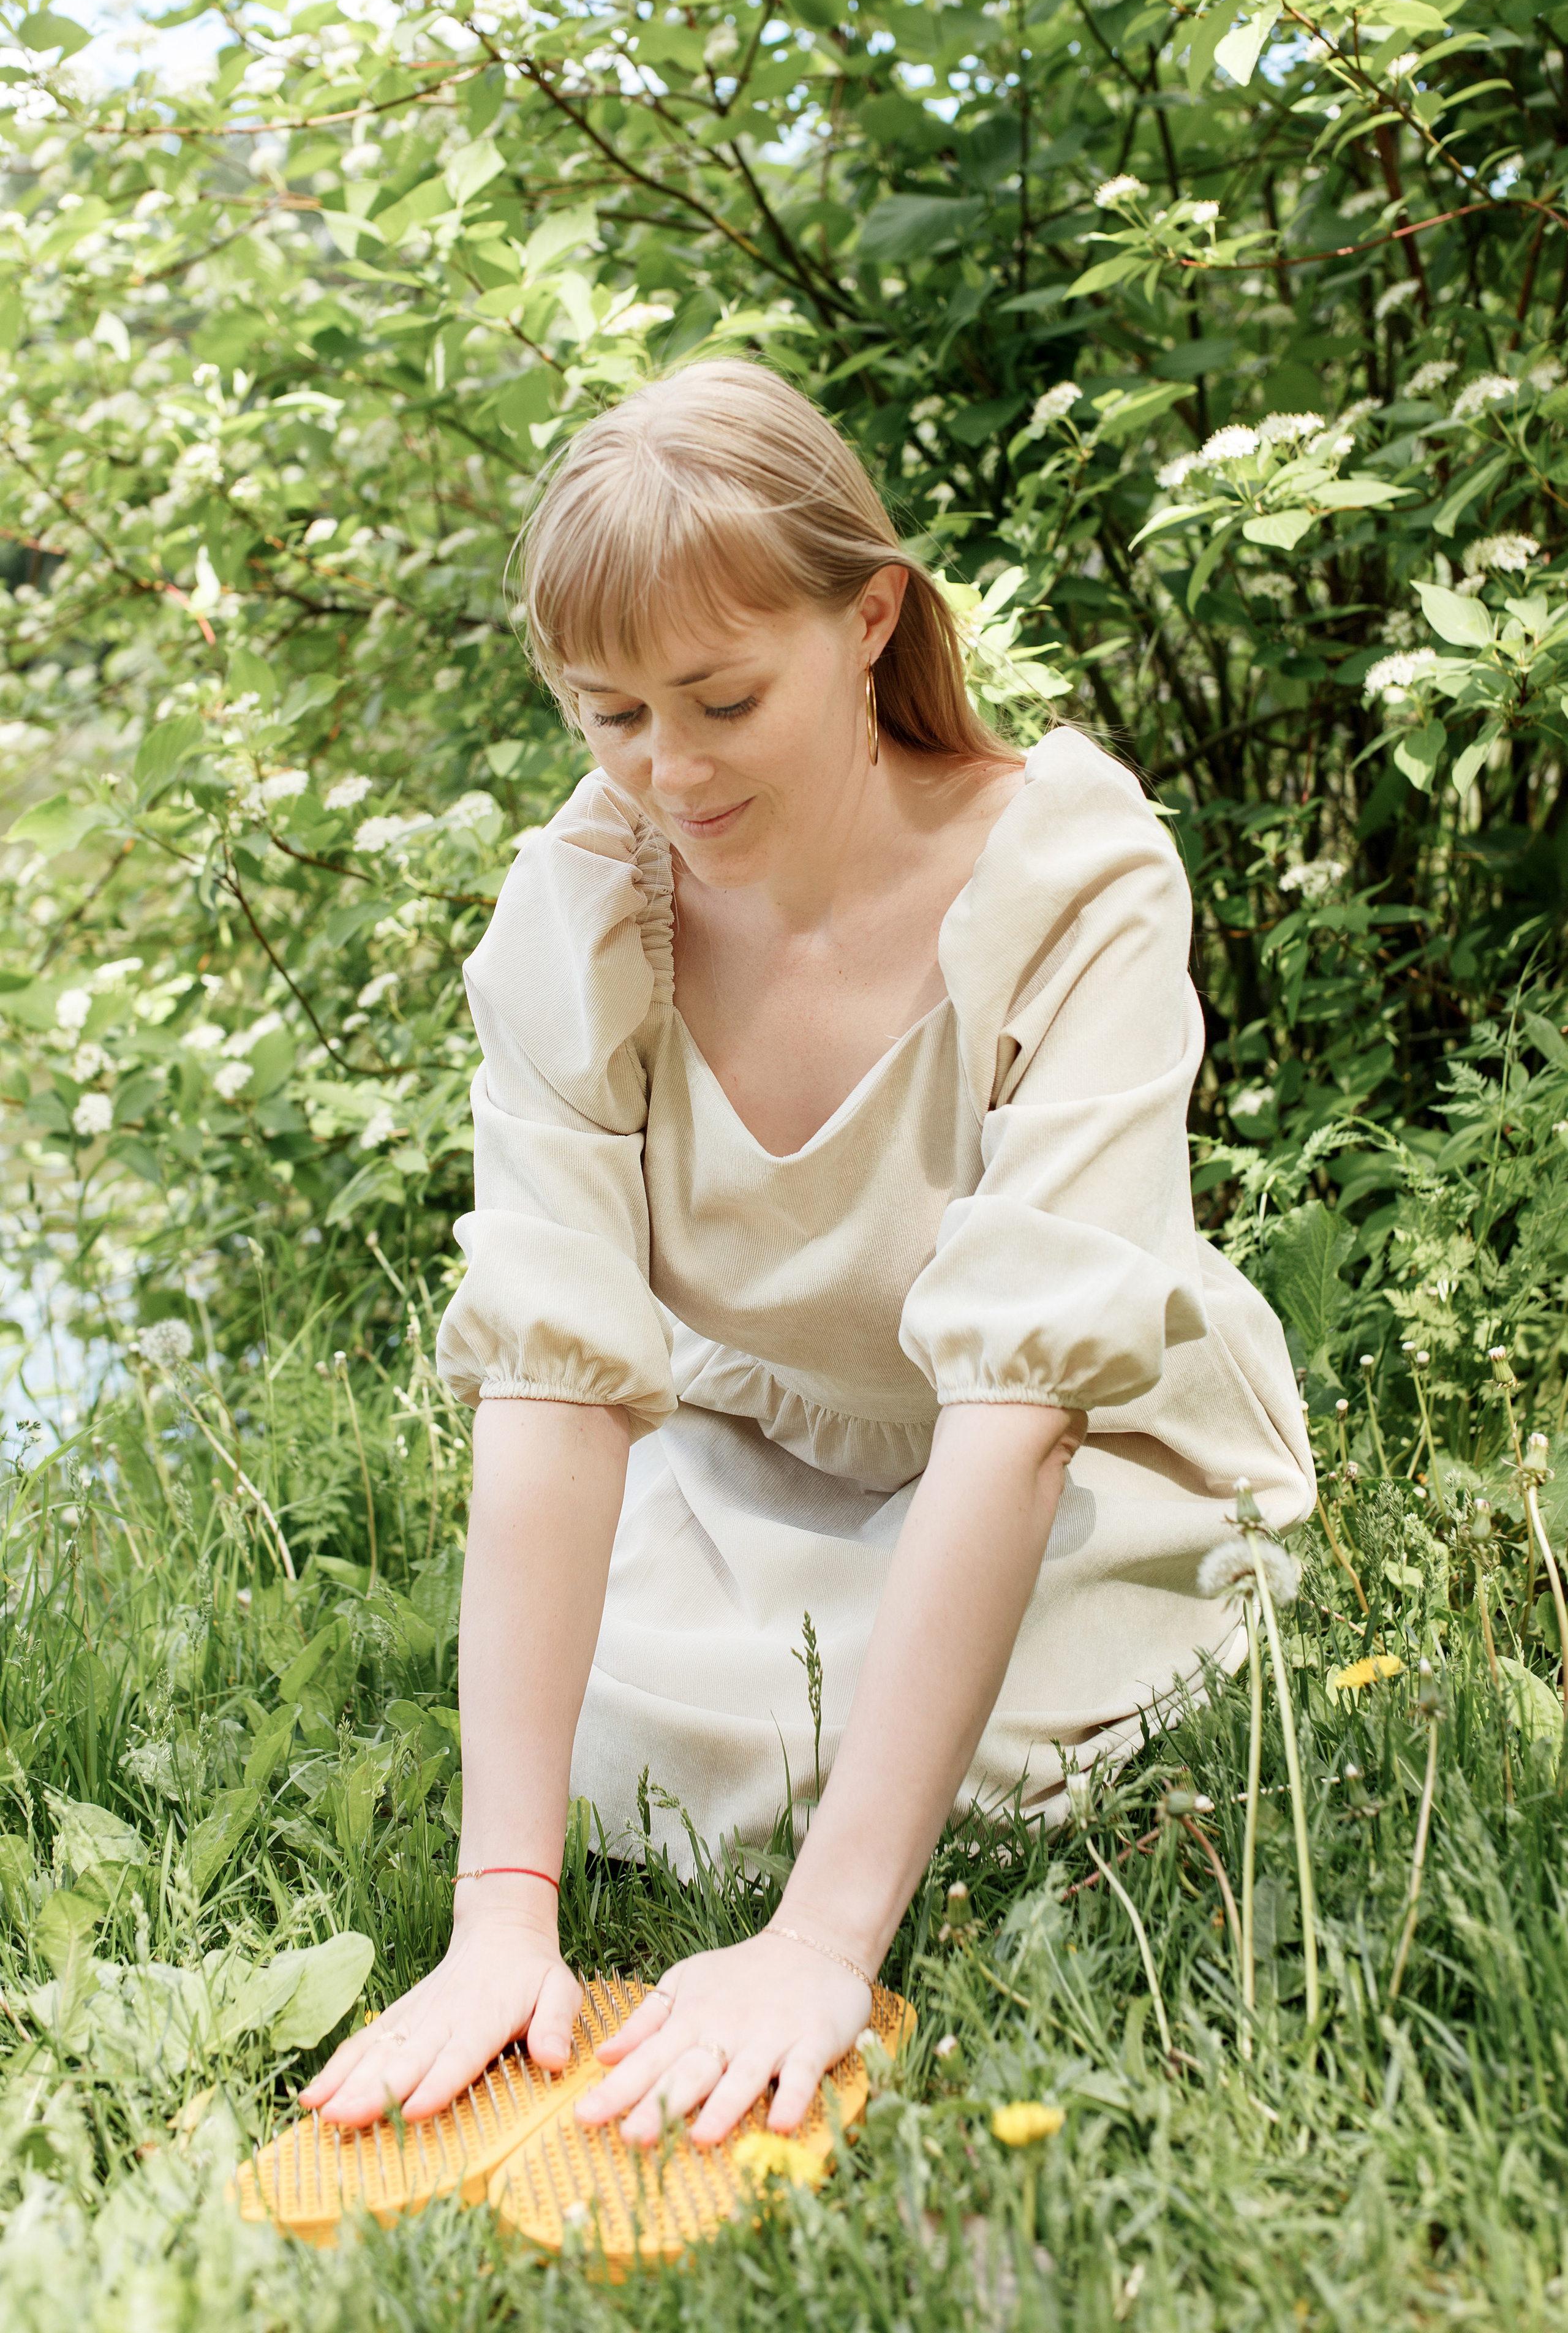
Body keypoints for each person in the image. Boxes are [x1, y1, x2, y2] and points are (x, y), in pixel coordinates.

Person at [302, 360, 1313, 2150]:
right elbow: (553, 1381)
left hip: (1073, 1463)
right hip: (757, 1461)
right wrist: (499, 1913)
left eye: (720, 698)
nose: (667, 771)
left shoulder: (1074, 878)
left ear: (870, 620)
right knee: (624, 1751)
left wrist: (824, 1944)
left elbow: (1018, 1410)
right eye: (610, 715)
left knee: (937, 1770)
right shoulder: (587, 912)